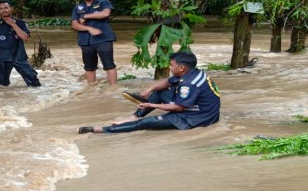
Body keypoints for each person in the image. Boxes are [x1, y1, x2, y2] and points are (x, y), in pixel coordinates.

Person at [78, 50, 220, 134]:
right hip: (198, 110)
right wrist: (149, 90)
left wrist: (152, 106)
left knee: (145, 123)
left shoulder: (189, 84)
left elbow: (179, 107)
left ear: (181, 67)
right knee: (158, 92)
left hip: (196, 118)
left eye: (171, 65)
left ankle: (102, 129)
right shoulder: (191, 73)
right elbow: (168, 82)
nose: (170, 67)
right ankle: (133, 117)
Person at [0, 0, 41, 87]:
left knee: (33, 81)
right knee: (2, 85)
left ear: (12, 9)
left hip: (19, 57)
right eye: (1, 9)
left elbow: (25, 38)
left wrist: (13, 24)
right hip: (1, 59)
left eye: (6, 8)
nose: (3, 10)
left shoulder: (21, 23)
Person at [71, 0, 117, 85]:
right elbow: (74, 25)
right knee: (89, 67)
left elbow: (105, 13)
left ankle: (113, 90)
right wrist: (89, 28)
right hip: (85, 41)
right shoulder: (77, 8)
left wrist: (86, 16)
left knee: (109, 65)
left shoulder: (103, 2)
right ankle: (91, 90)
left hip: (103, 39)